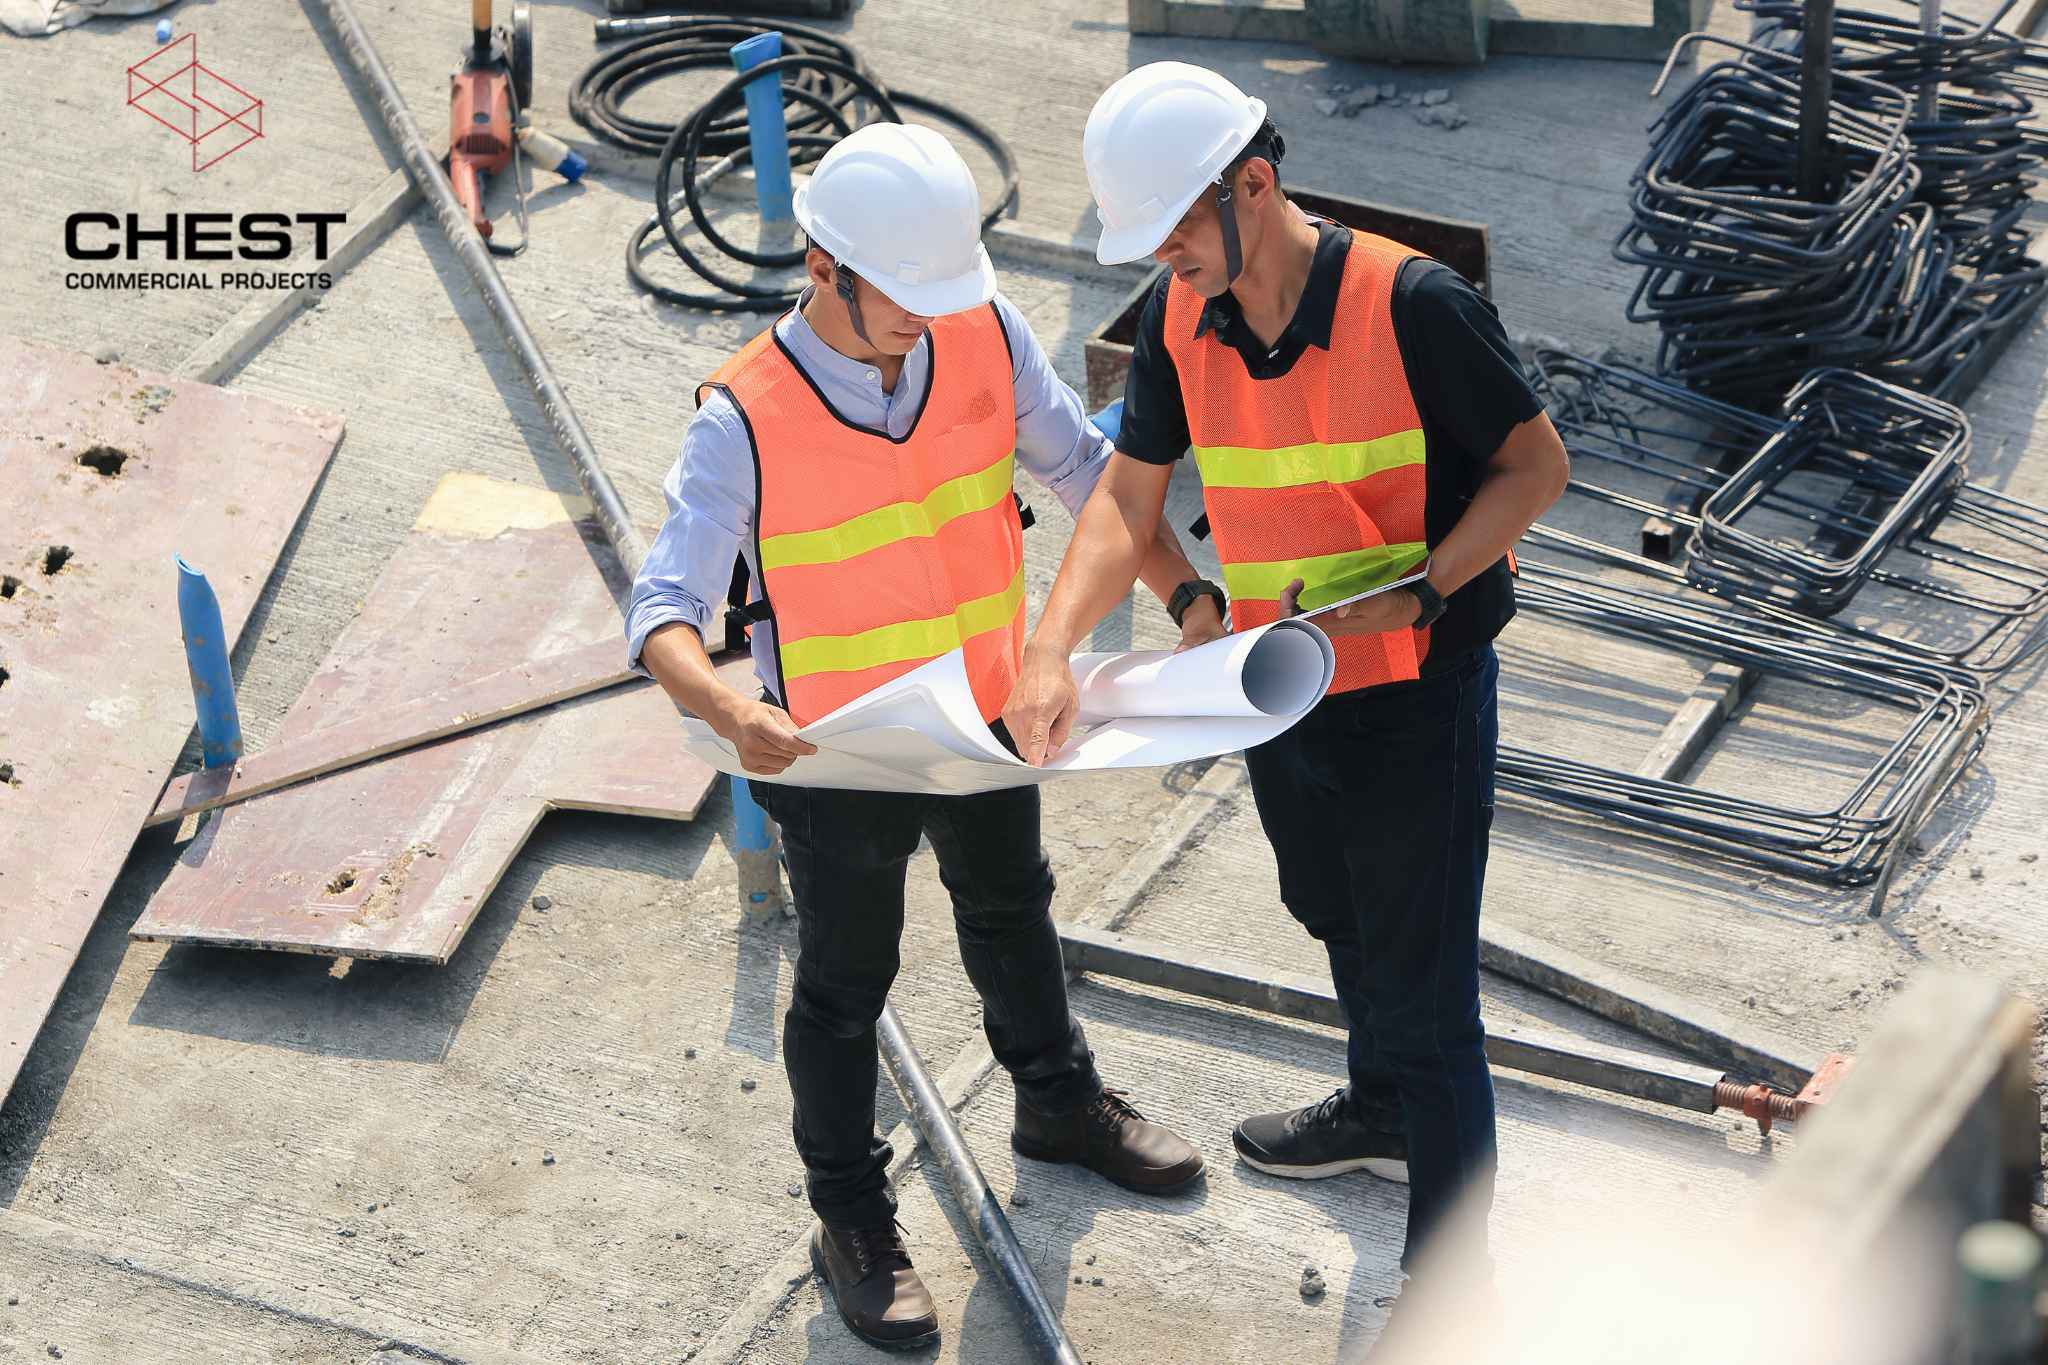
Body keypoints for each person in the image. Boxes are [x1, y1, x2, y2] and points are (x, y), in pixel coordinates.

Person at [625, 122, 1212, 1353]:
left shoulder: (981, 334)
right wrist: (730, 708)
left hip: (989, 712)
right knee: (846, 987)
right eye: (904, 291)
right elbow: (663, 611)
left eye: (945, 291)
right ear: (823, 266)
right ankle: (848, 1216)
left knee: (1012, 907)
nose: (926, 317)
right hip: (837, 753)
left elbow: (1091, 478)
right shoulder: (741, 418)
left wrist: (1188, 594)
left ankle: (1054, 1105)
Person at [1003, 62, 1570, 1287]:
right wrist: (1058, 645)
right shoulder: (1175, 318)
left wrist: (1427, 586)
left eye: (1172, 230)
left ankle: (1449, 1277)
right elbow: (1123, 503)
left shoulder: (1414, 305)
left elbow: (1535, 471)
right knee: (1332, 915)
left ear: (1250, 186)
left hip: (1418, 695)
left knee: (1426, 997)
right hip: (1278, 687)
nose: (1160, 259)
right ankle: (1378, 1117)